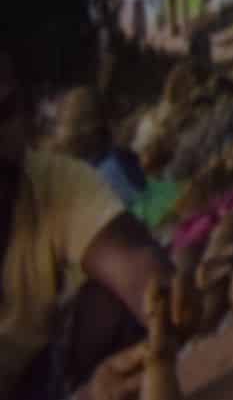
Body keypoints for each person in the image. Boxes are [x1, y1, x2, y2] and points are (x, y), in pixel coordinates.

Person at [0, 51, 172, 400]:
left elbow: (135, 262)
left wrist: (165, 296)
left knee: (113, 308)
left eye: (2, 112)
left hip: (32, 379)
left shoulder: (48, 181)